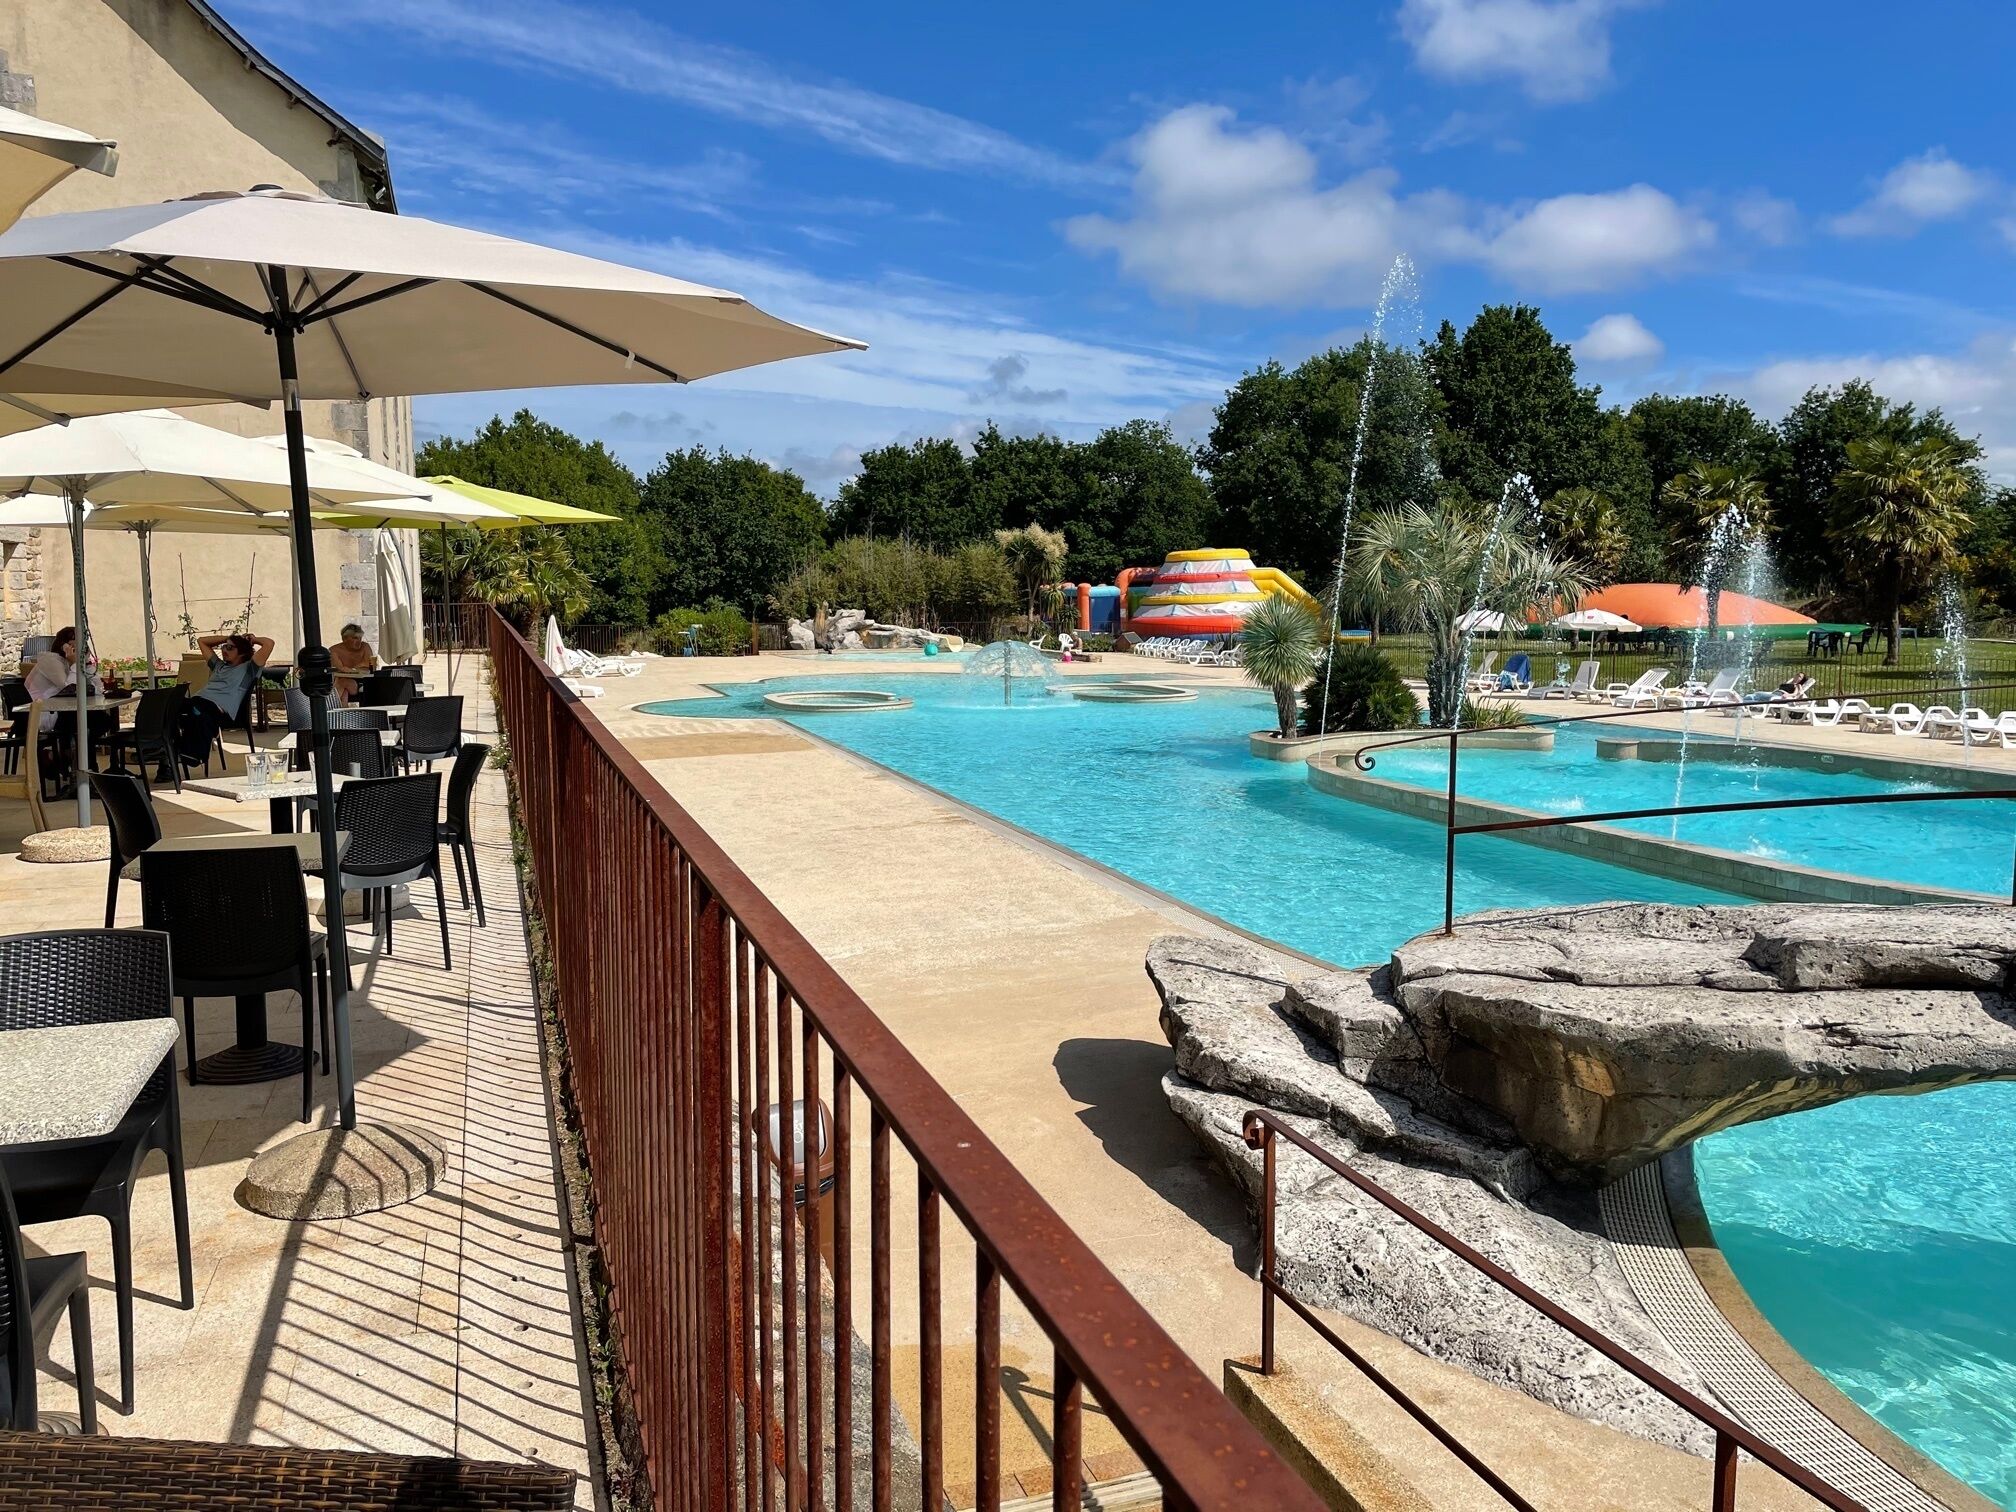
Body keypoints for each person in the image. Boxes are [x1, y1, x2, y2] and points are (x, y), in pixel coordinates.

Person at [177, 632, 274, 764]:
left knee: (191, 710)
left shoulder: (249, 669)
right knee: (168, 709)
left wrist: (254, 639)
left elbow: (269, 644)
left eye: (230, 648)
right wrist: (228, 638)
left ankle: (192, 753)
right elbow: (202, 641)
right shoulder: (219, 666)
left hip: (217, 709)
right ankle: (167, 758)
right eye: (223, 647)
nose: (224, 650)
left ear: (242, 652)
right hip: (199, 702)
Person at [330, 622, 378, 702]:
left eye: (360, 638)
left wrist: (351, 669)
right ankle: (341, 710)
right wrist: (359, 667)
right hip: (344, 681)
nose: (359, 641)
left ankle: (330, 707)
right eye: (355, 638)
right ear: (344, 639)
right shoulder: (334, 650)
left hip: (365, 682)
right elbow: (340, 669)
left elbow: (370, 666)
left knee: (343, 685)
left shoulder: (365, 647)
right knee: (344, 688)